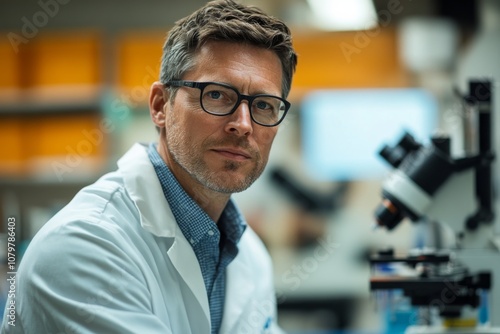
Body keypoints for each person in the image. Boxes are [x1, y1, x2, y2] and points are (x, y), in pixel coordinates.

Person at [2, 0, 297, 333]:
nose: (243, 124)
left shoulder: (248, 255)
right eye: (217, 95)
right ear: (160, 106)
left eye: (263, 105)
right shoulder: (85, 245)